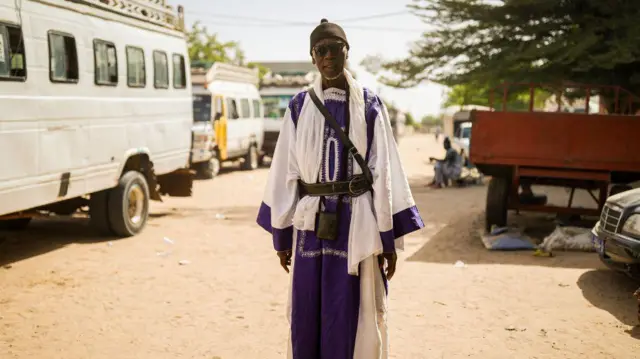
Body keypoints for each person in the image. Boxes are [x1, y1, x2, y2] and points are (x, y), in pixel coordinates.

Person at [256, 19, 424, 359]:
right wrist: (282, 237)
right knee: (307, 310)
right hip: (309, 226)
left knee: (351, 310)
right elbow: (286, 171)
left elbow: (384, 170)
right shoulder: (300, 106)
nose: (329, 56)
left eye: (335, 48)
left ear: (347, 52)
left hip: (355, 223)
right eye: (321, 50)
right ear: (312, 57)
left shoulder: (370, 105)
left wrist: (387, 241)